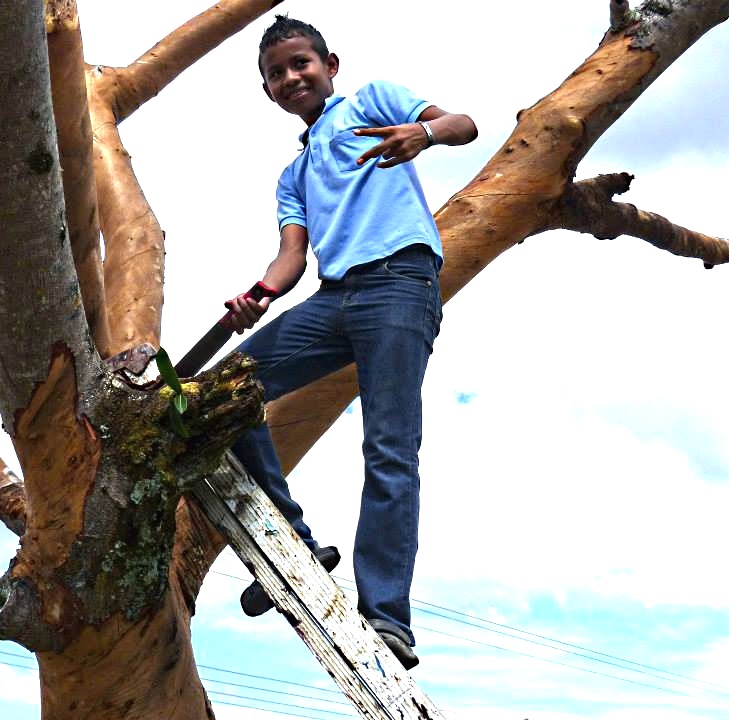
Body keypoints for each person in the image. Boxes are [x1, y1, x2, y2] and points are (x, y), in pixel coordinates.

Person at [224, 15, 477, 670]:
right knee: (223, 392)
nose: (290, 78)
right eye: (276, 74)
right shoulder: (293, 174)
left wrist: (421, 133)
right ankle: (296, 547)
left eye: (300, 64)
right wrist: (258, 293)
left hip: (399, 283)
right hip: (333, 299)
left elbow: (463, 124)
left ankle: (387, 619)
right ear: (268, 91)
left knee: (389, 445)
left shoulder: (372, 101)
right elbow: (290, 256)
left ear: (330, 64)